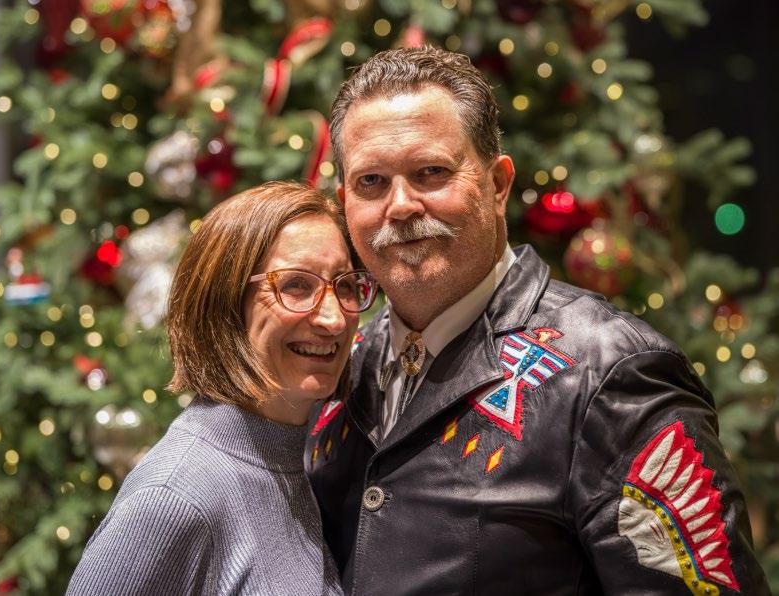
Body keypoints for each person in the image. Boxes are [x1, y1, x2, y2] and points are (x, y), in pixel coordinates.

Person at [304, 47, 770, 595]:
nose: (400, 205)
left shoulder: (612, 374)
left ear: (498, 185)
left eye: (431, 172)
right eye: (371, 182)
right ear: (344, 203)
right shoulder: (338, 361)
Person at [68, 181, 377, 595]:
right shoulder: (175, 496)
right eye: (296, 286)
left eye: (344, 285)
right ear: (226, 303)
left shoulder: (289, 460)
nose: (334, 319)